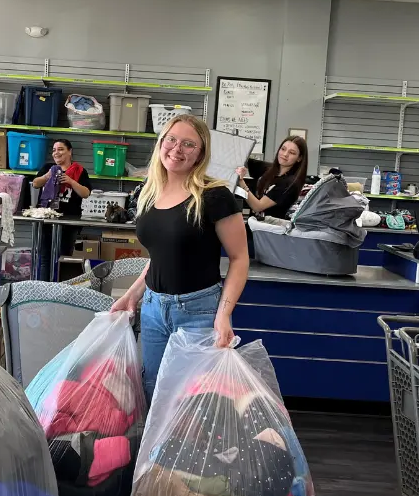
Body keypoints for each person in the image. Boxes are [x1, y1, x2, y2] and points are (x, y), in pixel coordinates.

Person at [110, 114, 249, 403]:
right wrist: (133, 295)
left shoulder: (214, 195)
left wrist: (223, 314)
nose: (177, 149)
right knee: (154, 391)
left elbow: (239, 259)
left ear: (200, 154)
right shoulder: (149, 192)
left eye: (188, 144)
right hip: (152, 310)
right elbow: (161, 255)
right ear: (161, 143)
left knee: (193, 401)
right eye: (171, 140)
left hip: (198, 311)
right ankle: (157, 450)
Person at [30, 139, 92, 276]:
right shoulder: (48, 168)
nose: (56, 153)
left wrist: (71, 181)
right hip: (46, 220)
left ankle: (59, 293)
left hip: (69, 223)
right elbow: (35, 184)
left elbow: (85, 193)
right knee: (45, 258)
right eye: (54, 150)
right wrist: (47, 177)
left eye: (61, 149)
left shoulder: (80, 171)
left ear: (70, 151)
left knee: (63, 258)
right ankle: (44, 292)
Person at [235, 135, 308, 218]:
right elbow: (245, 160)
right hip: (254, 224)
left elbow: (258, 207)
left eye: (291, 153)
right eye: (283, 149)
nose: (285, 154)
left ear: (299, 158)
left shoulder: (290, 184)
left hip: (269, 228)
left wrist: (241, 181)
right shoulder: (269, 169)